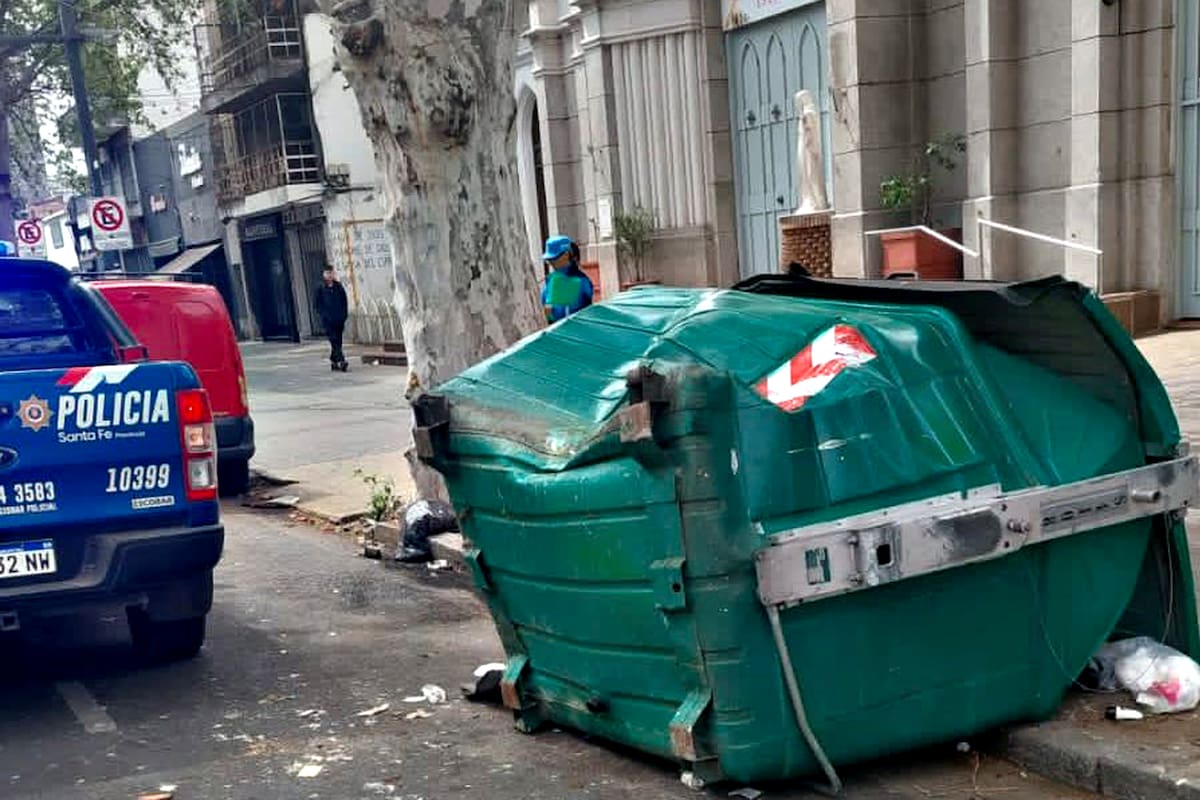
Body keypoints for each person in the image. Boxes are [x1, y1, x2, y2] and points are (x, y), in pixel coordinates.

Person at [541, 235, 593, 323]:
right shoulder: (550, 280)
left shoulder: (581, 281)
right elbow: (546, 308)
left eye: (554, 258)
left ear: (566, 255)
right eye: (549, 260)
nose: (551, 262)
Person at [313, 267, 349, 372]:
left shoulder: (338, 286)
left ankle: (333, 361)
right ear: (324, 274)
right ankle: (342, 361)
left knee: (338, 340)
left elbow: (344, 301)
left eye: (331, 273)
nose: (329, 275)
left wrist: (344, 315)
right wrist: (323, 315)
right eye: (327, 273)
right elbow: (316, 304)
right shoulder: (320, 287)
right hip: (328, 320)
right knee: (333, 339)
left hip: (339, 318)